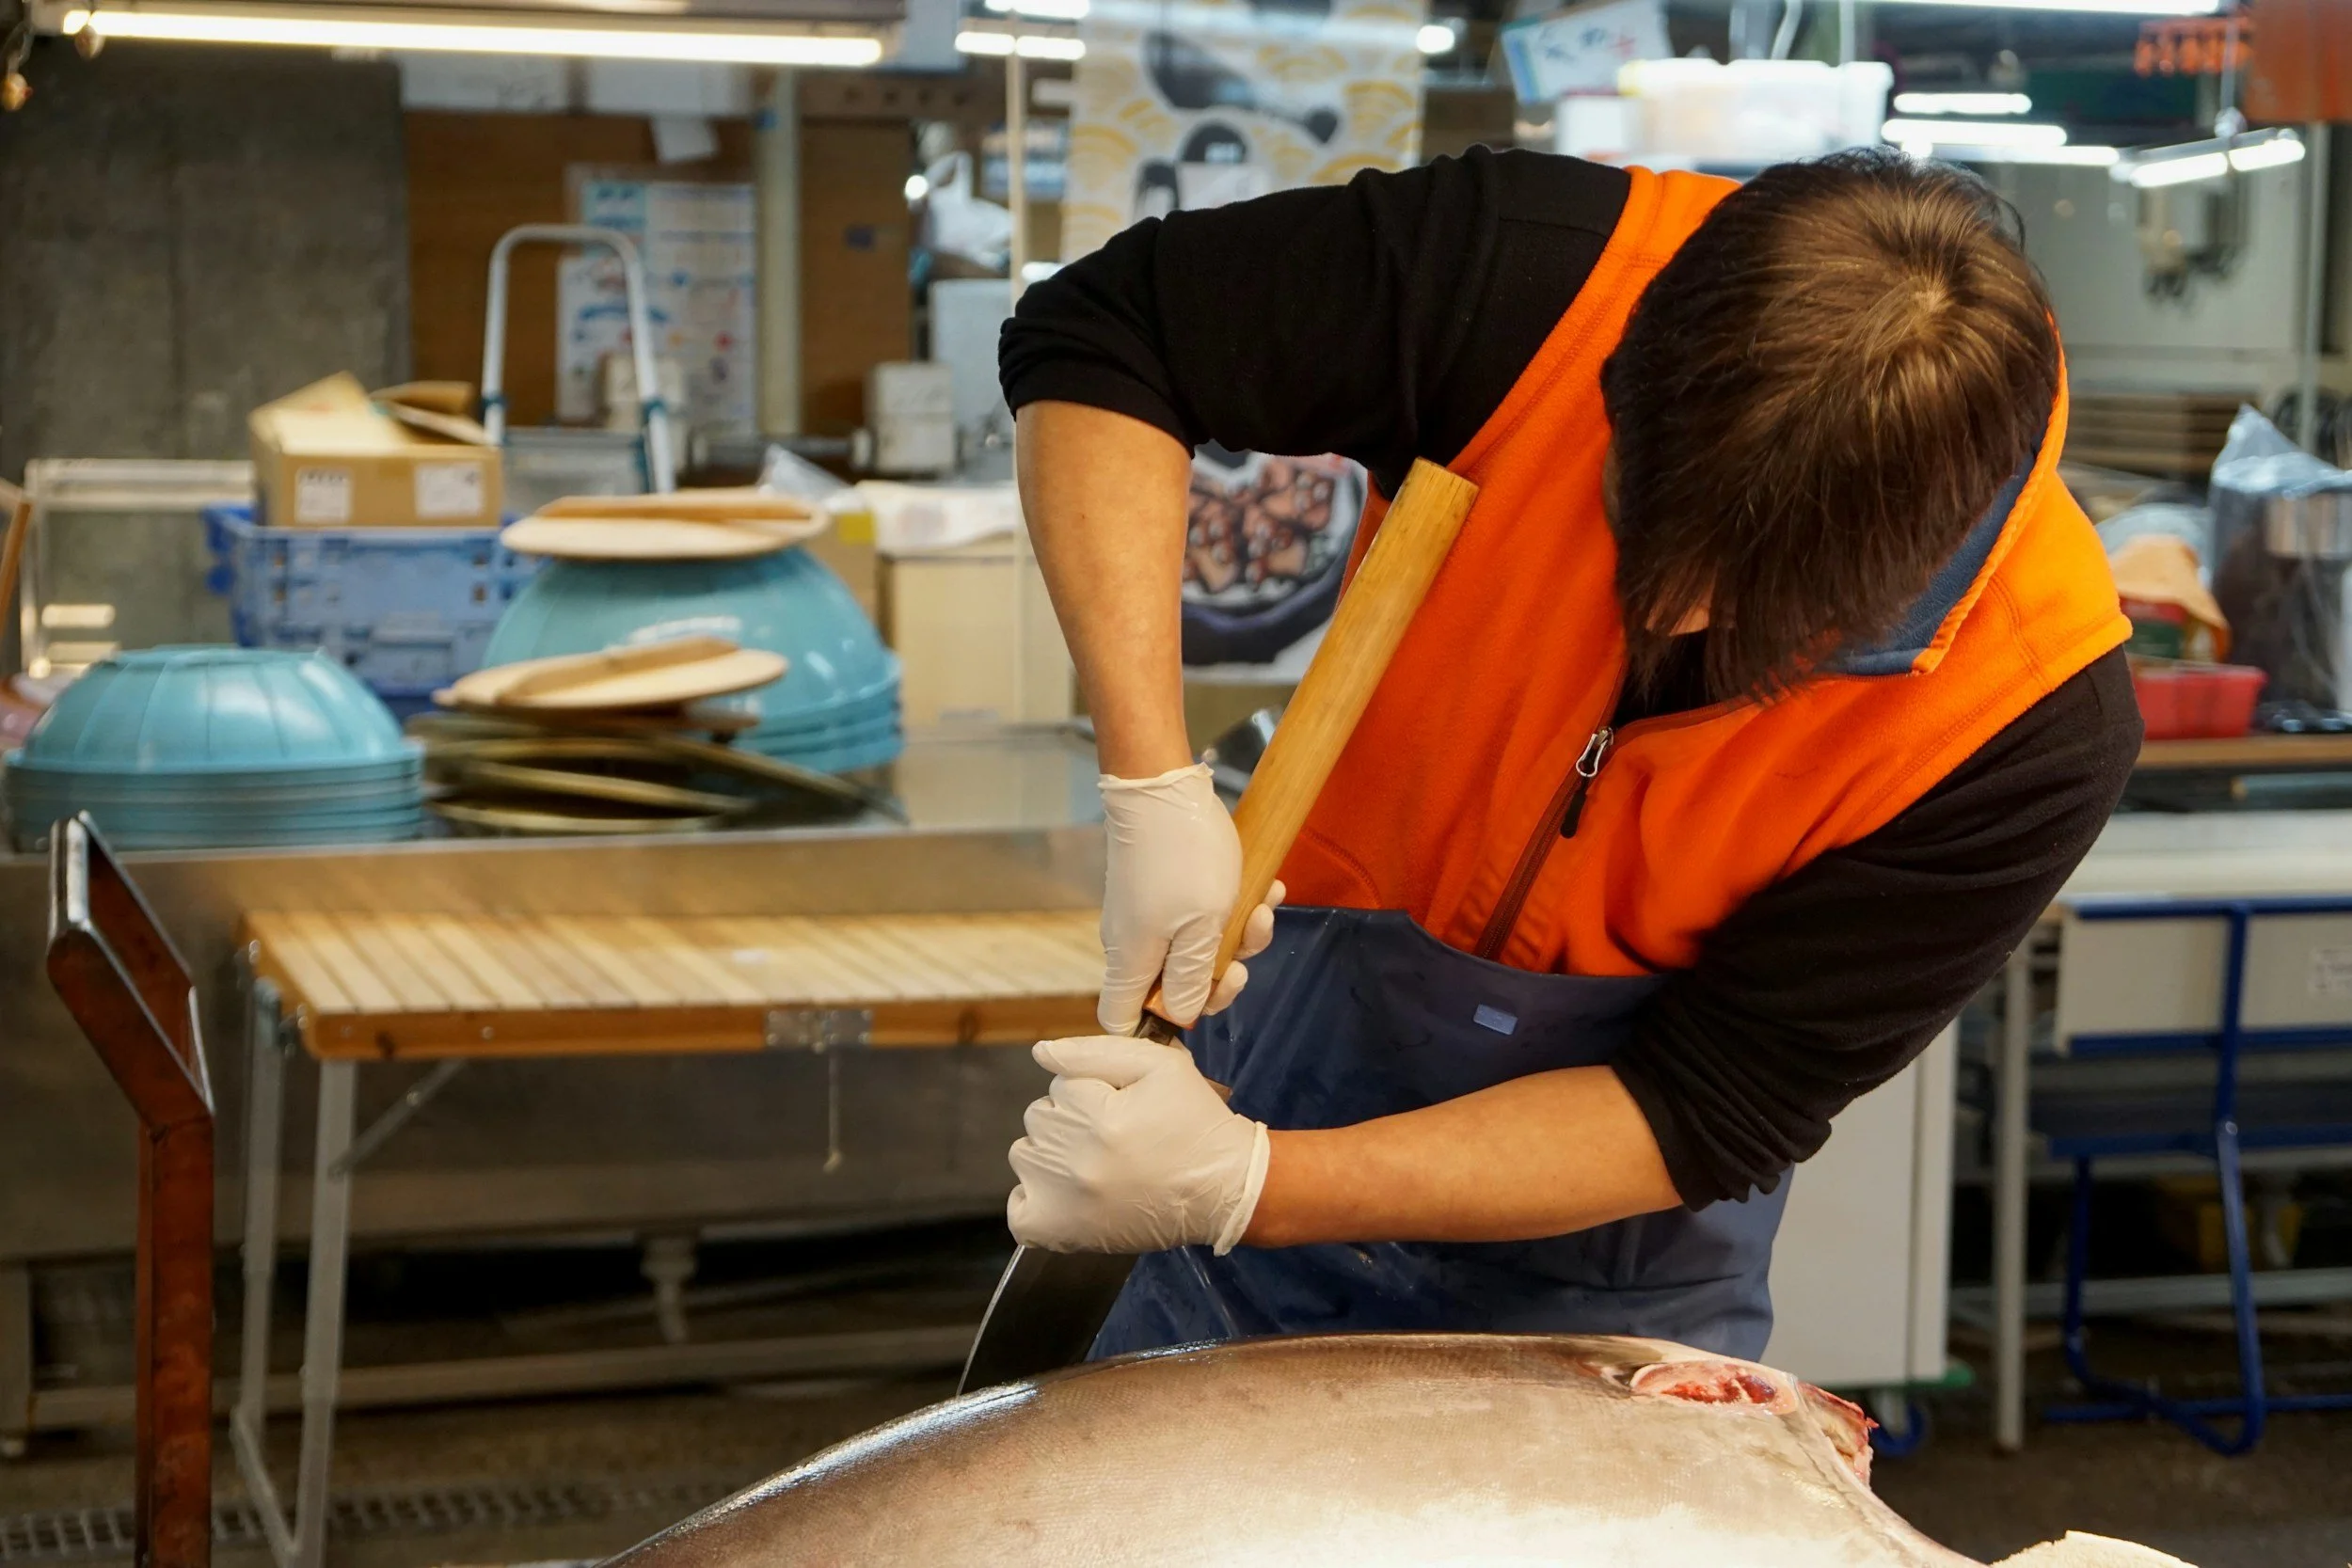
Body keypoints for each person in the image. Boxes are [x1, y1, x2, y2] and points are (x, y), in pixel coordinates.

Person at [993, 147, 2140, 1360]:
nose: (1675, 617)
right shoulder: (1537, 274)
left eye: (1763, 599)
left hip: (1614, 1273)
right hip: (1279, 1049)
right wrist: (1151, 776)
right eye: (1635, 521)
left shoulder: (2027, 722)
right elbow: (1104, 333)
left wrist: (1246, 1184)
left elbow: (1707, 1106)